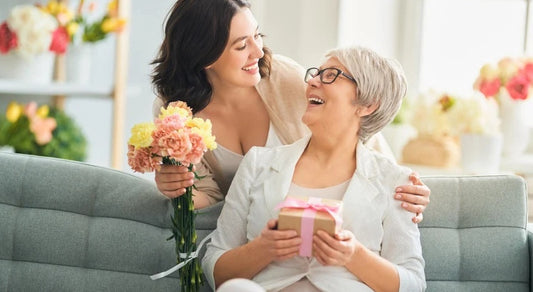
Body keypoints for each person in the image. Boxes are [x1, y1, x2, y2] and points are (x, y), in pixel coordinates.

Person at [151, 0, 430, 222]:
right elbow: (209, 198)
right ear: (204, 55)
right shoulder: (174, 111)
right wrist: (179, 187)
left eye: (257, 35)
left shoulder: (282, 77)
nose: (258, 52)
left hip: (322, 215)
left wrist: (401, 187)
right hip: (255, 228)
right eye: (241, 45)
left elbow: (355, 130)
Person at [202, 46, 426, 291]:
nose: (312, 81)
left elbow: (414, 284)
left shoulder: (396, 181)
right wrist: (263, 249)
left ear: (368, 104)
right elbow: (216, 267)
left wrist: (354, 256)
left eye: (330, 75)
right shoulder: (258, 164)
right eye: (315, 73)